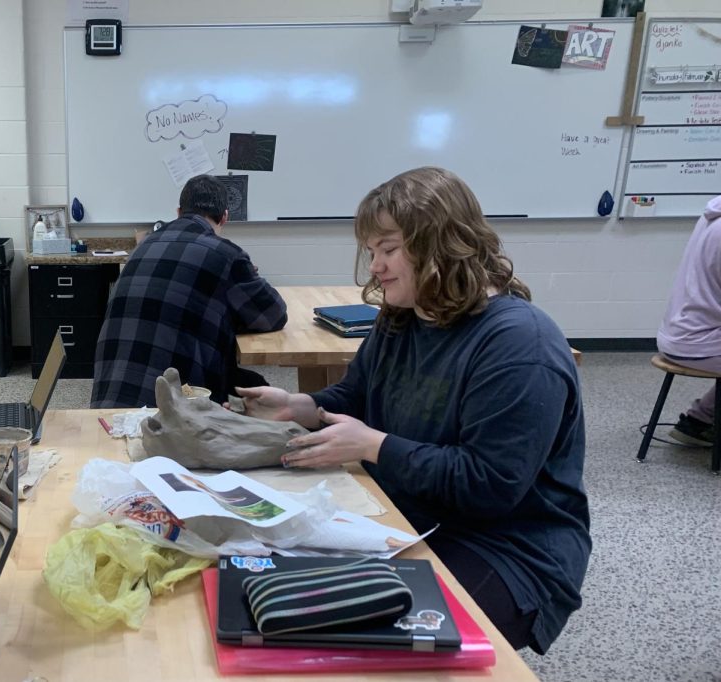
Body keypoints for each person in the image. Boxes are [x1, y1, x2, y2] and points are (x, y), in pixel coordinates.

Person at [236, 167, 590, 654]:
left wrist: (374, 445)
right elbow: (358, 397)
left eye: (388, 249)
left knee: (372, 651)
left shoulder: (518, 344)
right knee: (277, 599)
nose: (376, 266)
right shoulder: (402, 317)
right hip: (408, 515)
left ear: (443, 243)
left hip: (506, 547)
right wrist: (304, 406)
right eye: (372, 251)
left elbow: (490, 486)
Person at [91, 174, 288, 408]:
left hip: (110, 398)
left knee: (249, 381)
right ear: (225, 217)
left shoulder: (143, 246)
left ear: (178, 212)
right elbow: (273, 314)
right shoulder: (226, 254)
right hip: (167, 407)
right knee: (259, 392)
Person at [657, 196, 721, 446]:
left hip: (679, 333)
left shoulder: (711, 214)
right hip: (700, 342)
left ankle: (699, 422)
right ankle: (702, 421)